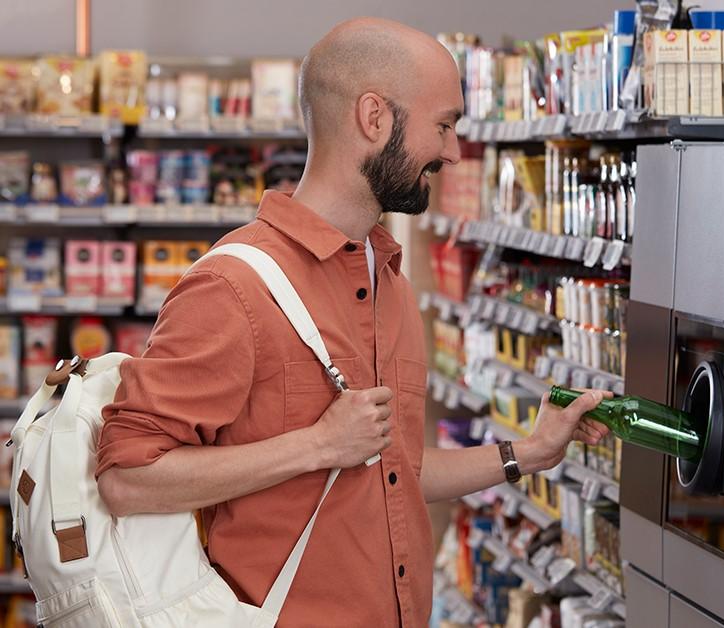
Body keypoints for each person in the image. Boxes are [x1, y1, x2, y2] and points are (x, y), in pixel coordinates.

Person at [96, 17, 609, 627]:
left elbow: (395, 471)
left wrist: (529, 452)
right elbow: (128, 479)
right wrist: (316, 445)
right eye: (443, 125)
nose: (452, 151)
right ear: (374, 118)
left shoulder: (388, 280)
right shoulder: (235, 286)